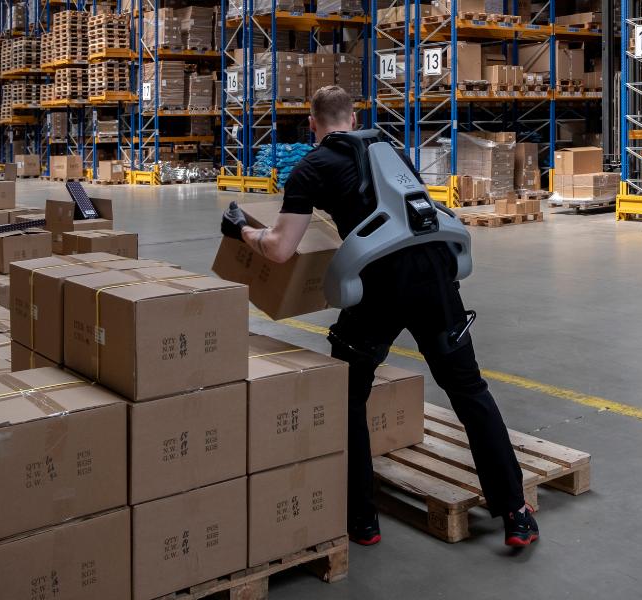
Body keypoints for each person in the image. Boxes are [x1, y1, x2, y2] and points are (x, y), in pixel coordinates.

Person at [220, 86, 539, 548]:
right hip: (435, 278)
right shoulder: (391, 151)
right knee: (469, 390)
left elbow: (280, 248)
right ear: (353, 118)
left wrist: (242, 229)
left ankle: (362, 520)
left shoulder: (310, 167)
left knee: (350, 394)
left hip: (379, 287)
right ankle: (515, 512)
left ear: (313, 124)